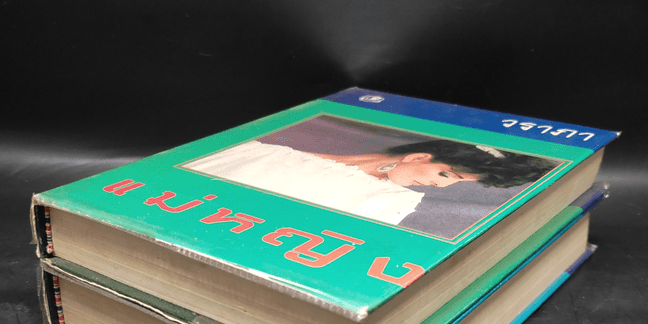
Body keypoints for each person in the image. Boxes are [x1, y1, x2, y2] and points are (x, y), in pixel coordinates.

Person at [189, 137, 555, 226]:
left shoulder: (392, 201)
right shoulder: (258, 149)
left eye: (456, 183)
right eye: (447, 174)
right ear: (418, 157)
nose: (443, 186)